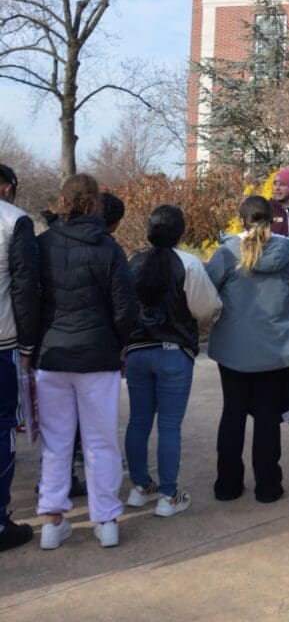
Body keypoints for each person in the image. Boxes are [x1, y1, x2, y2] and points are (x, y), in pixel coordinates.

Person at [35, 173, 136, 550]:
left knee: (56, 442)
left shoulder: (42, 244)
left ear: (62, 201)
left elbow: (29, 298)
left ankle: (51, 520)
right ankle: (106, 519)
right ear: (94, 202)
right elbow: (125, 308)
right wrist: (119, 344)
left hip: (52, 354)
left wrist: (32, 346)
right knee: (101, 441)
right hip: (97, 356)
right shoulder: (108, 248)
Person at [206, 195, 289, 503]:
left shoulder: (226, 252)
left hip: (233, 347)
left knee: (233, 414)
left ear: (241, 221)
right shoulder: (287, 252)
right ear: (272, 219)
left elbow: (208, 289)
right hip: (275, 347)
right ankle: (268, 485)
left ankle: (227, 484)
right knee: (267, 416)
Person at [124, 205, 222, 517]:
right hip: (174, 352)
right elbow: (207, 308)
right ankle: (169, 495)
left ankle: (140, 487)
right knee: (169, 425)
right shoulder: (189, 264)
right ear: (180, 232)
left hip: (137, 351)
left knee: (138, 420)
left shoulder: (134, 262)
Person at [0, 164, 39, 552]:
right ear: (9, 187)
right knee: (1, 428)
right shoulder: (15, 221)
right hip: (2, 343)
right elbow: (25, 288)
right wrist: (28, 348)